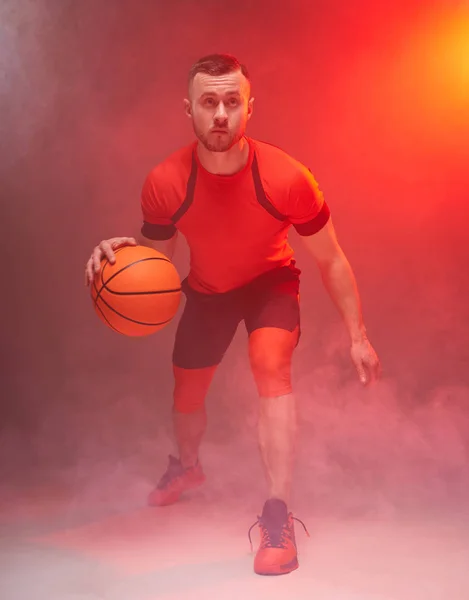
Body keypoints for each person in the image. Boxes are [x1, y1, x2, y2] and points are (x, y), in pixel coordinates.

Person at [85, 53, 380, 576]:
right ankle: (188, 467)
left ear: (248, 108)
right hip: (208, 290)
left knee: (272, 365)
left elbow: (332, 259)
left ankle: (277, 515)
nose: (220, 113)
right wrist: (118, 258)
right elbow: (154, 266)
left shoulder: (287, 176)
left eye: (230, 101)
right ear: (189, 110)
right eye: (208, 102)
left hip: (271, 283)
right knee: (186, 394)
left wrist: (358, 335)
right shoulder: (166, 181)